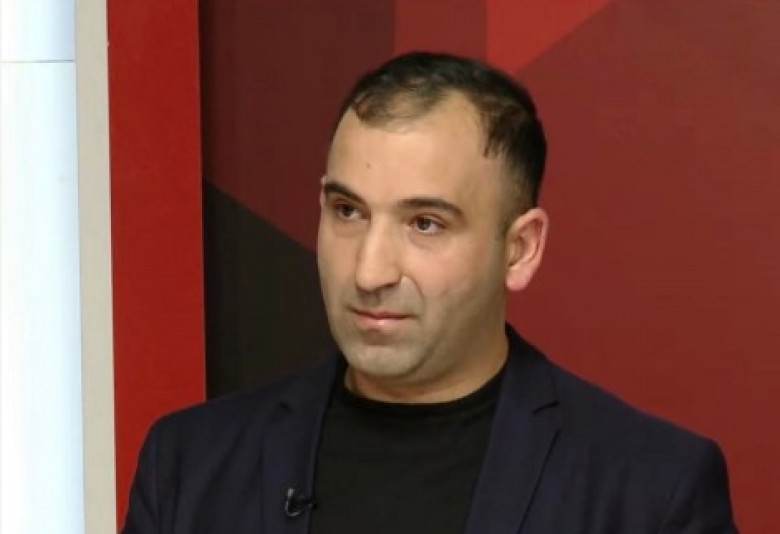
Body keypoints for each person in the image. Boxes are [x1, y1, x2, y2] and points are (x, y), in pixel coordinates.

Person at [122, 52, 739, 534]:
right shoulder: (188, 464)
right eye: (348, 211)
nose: (369, 271)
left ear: (520, 249)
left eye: (425, 224)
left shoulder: (652, 490)